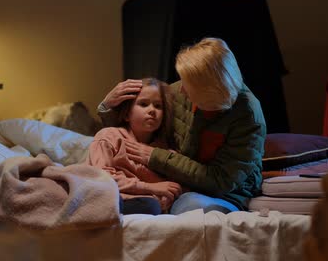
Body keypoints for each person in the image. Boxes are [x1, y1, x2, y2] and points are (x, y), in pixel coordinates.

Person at [97, 38, 266, 214]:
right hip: (172, 184)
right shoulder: (179, 92)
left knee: (192, 210)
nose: (182, 89)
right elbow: (130, 133)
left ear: (208, 92)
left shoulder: (248, 116)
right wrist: (108, 108)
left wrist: (156, 157)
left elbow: (221, 182)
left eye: (188, 85)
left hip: (222, 194)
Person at [86, 77, 182, 215]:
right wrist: (150, 187)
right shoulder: (109, 137)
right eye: (143, 104)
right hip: (113, 196)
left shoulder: (165, 152)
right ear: (126, 114)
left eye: (158, 106)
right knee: (150, 206)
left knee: (154, 206)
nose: (152, 110)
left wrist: (168, 195)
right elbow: (102, 177)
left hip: (146, 201)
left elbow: (171, 187)